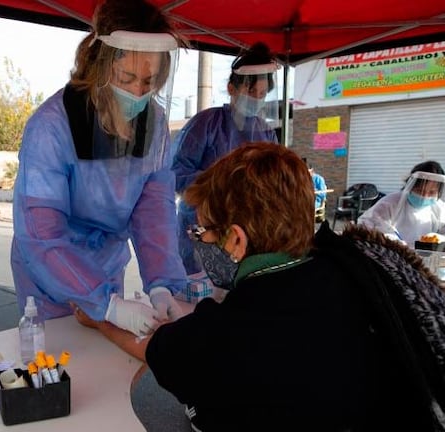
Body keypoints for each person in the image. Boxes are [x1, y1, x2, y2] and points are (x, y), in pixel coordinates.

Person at [73, 142, 445, 431]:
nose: (198, 241)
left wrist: (99, 319)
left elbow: (156, 345)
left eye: (202, 231)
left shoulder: (225, 338)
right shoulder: (348, 269)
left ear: (235, 240)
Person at [10, 0, 187, 337]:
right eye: (128, 78)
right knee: (60, 363)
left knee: (107, 361)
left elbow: (154, 212)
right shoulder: (51, 127)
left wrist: (162, 283)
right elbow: (41, 233)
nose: (138, 92)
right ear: (101, 67)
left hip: (106, 268)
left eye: (149, 82)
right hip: (49, 270)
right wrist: (106, 304)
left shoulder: (155, 124)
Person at [171, 42, 279, 279]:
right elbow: (174, 173)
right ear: (232, 88)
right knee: (198, 289)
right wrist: (219, 184)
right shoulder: (206, 124)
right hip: (200, 228)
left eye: (262, 94)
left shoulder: (266, 133)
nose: (257, 100)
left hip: (246, 232)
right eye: (251, 93)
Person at [359, 160, 445, 245]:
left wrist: (438, 238)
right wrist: (394, 242)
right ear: (409, 186)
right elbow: (368, 226)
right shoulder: (390, 203)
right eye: (419, 190)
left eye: (432, 192)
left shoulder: (439, 208)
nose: (425, 196)